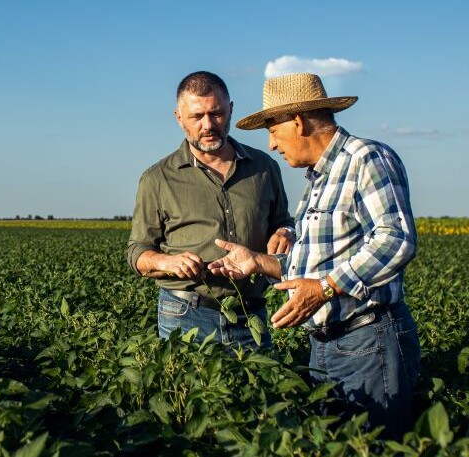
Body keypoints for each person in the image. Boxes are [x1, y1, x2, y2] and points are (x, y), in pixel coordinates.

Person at [207, 73, 420, 437]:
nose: (272, 144)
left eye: (273, 131)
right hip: (325, 346)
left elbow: (396, 239)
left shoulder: (365, 159)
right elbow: (316, 264)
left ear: (298, 122)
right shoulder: (318, 179)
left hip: (367, 341)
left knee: (376, 444)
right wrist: (257, 262)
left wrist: (324, 288)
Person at [126, 71, 295, 350]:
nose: (208, 125)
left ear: (230, 110)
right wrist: (166, 262)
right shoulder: (158, 178)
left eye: (216, 114)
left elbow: (283, 221)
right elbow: (137, 251)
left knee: (260, 380)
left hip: (251, 313)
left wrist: (285, 231)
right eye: (197, 116)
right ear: (179, 118)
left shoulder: (264, 168)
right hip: (186, 314)